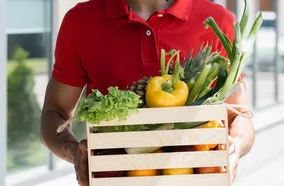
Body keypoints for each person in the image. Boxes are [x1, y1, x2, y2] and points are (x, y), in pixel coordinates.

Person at [39, 0, 255, 185]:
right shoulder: (80, 22)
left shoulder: (217, 21)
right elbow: (53, 114)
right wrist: (74, 152)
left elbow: (240, 116)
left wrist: (234, 147)